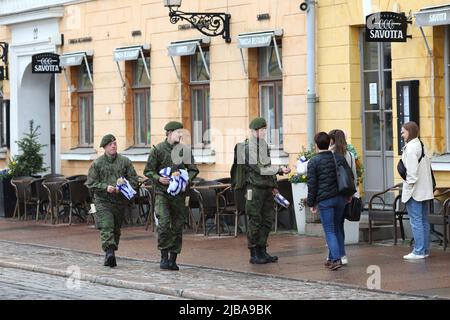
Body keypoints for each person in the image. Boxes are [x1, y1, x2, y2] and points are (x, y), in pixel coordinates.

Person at [144, 121, 199, 271]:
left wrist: (185, 179)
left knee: (177, 225)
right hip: (162, 193)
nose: (180, 135)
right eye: (177, 132)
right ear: (169, 133)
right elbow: (148, 171)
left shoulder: (184, 150)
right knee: (163, 223)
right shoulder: (158, 150)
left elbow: (193, 170)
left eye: (181, 132)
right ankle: (164, 256)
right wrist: (158, 178)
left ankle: (173, 258)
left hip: (179, 194)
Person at [85, 134, 139, 268]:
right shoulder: (97, 163)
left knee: (116, 229)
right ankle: (109, 253)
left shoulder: (125, 161)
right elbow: (90, 183)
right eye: (110, 144)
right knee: (107, 225)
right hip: (102, 201)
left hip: (119, 201)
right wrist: (105, 187)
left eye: (115, 143)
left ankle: (110, 253)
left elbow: (133, 180)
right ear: (104, 148)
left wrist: (124, 187)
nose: (113, 146)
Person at [245, 117, 291, 264]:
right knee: (255, 220)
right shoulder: (246, 148)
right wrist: (280, 169)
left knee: (267, 220)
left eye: (265, 129)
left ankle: (262, 250)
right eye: (262, 130)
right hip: (255, 189)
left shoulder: (263, 145)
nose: (265, 132)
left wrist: (274, 186)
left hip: (266, 188)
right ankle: (254, 253)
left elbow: (268, 166)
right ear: (253, 131)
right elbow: (260, 168)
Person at [306, 132, 352, 271]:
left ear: (316, 145)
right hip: (340, 198)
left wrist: (311, 203)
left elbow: (312, 184)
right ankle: (333, 258)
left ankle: (336, 259)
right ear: (329, 143)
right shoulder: (338, 157)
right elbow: (348, 176)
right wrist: (349, 194)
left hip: (325, 200)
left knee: (329, 230)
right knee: (337, 227)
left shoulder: (313, 161)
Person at [400, 121, 434, 260]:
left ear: (410, 132)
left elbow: (412, 174)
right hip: (425, 190)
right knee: (423, 221)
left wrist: (407, 189)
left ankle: (418, 251)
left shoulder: (411, 149)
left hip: (415, 191)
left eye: (403, 131)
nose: (402, 134)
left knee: (416, 221)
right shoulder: (421, 145)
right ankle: (424, 249)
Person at [328, 129, 357, 265]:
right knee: (339, 225)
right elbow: (354, 177)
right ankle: (340, 254)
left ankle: (337, 254)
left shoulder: (330, 154)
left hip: (332, 194)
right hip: (345, 194)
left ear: (332, 140)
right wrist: (351, 194)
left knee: (332, 227)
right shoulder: (350, 155)